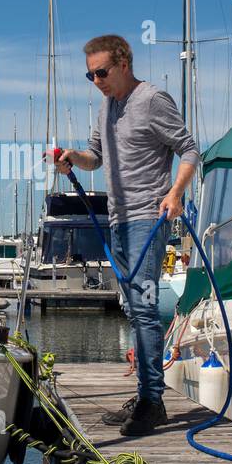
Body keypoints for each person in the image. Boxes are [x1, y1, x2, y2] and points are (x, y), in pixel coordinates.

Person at [50, 34, 199, 436]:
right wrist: (73, 161)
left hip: (146, 219)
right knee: (134, 310)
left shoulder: (152, 100)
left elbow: (189, 149)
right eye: (90, 74)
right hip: (117, 219)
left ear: (124, 64)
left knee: (146, 310)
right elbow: (94, 157)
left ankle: (152, 402)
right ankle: (146, 394)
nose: (96, 80)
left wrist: (175, 193)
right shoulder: (106, 107)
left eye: (101, 72)